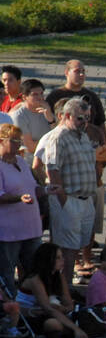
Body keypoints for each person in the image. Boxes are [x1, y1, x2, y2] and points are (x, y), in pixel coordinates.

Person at [45, 99, 101, 293]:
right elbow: (52, 170)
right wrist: (64, 201)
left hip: (85, 200)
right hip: (69, 199)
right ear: (67, 116)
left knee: (78, 246)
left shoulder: (83, 135)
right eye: (79, 118)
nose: (84, 122)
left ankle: (67, 288)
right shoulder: (58, 137)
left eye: (87, 118)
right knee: (66, 251)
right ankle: (64, 291)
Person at [0, 123, 42, 297]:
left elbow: (33, 188)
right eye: (14, 140)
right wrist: (19, 198)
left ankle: (31, 301)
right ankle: (10, 309)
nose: (18, 144)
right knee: (7, 272)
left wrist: (47, 190)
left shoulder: (21, 162)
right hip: (9, 231)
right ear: (1, 141)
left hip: (31, 228)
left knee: (34, 270)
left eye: (19, 140)